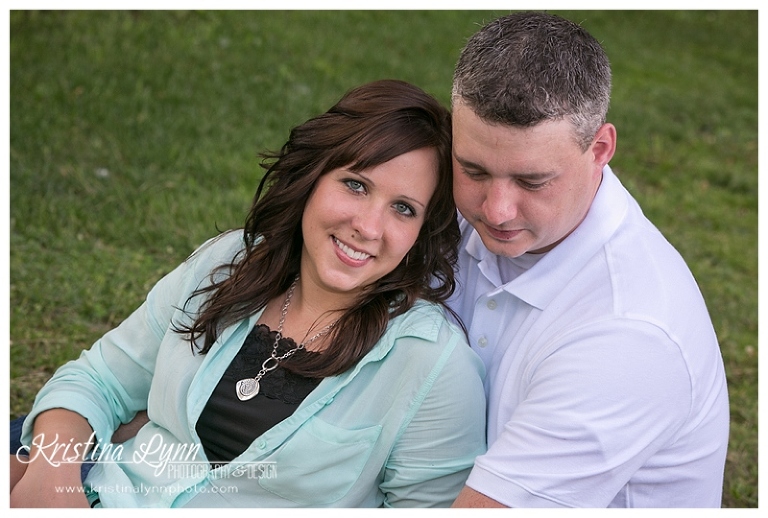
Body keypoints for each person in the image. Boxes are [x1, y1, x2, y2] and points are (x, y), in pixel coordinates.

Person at [9, 79, 487, 508]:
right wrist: (52, 478)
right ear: (313, 178)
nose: (368, 226)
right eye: (355, 185)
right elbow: (100, 381)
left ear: (423, 231)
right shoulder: (229, 260)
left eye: (403, 208)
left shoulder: (431, 365)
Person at [447, 12, 729, 508]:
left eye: (532, 181)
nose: (495, 210)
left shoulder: (630, 332)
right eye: (473, 170)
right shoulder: (431, 204)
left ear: (600, 149)